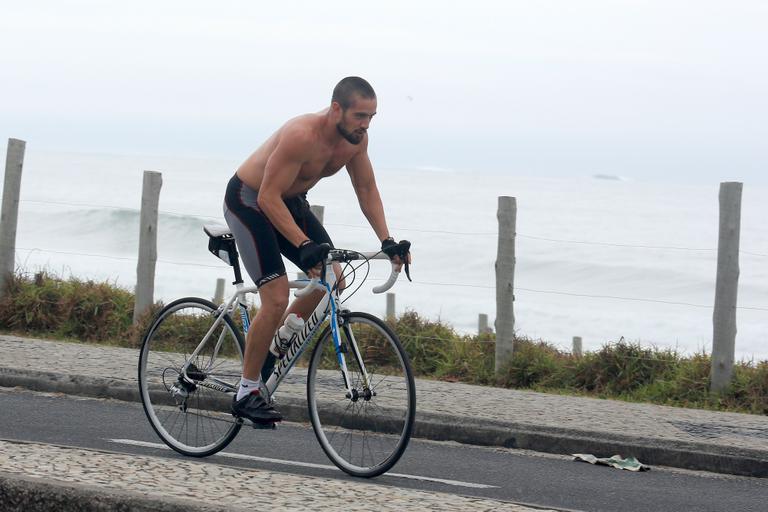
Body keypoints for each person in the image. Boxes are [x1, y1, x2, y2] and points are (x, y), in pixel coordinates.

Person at [223, 76, 411, 425]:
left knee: (331, 279)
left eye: (372, 117)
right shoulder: (302, 134)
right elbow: (266, 197)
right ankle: (246, 391)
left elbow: (366, 188)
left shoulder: (356, 141)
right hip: (250, 200)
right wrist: (303, 244)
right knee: (276, 296)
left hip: (288, 202)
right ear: (336, 108)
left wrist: (387, 240)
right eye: (359, 116)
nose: (365, 125)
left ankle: (277, 344)